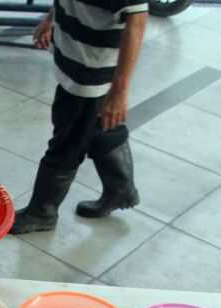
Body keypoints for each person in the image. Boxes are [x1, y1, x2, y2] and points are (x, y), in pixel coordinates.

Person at [10, 0, 149, 234]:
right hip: (75, 57)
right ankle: (120, 190)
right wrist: (50, 19)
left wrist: (119, 91)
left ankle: (41, 212)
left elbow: (137, 22)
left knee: (67, 141)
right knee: (100, 126)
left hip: (91, 71)